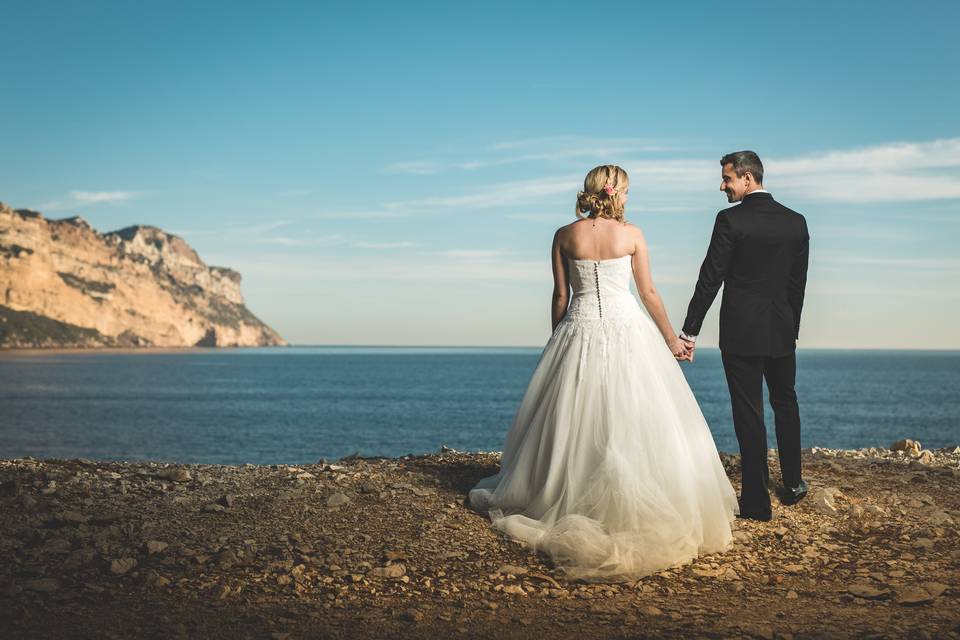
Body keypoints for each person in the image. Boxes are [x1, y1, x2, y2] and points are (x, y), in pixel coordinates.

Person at [468, 165, 738, 582]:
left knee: (575, 413)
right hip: (627, 327)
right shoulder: (632, 235)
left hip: (579, 327)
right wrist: (671, 339)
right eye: (626, 191)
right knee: (635, 410)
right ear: (617, 193)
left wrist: (557, 338)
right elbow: (647, 292)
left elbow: (561, 294)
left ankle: (565, 492)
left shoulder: (564, 234)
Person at [679, 150, 809, 522]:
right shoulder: (796, 222)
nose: (723, 186)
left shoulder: (729, 221)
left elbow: (710, 279)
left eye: (727, 179)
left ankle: (756, 501)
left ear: (747, 179)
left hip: (740, 333)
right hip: (782, 329)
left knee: (749, 413)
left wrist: (689, 330)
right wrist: (791, 328)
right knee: (786, 402)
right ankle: (794, 483)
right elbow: (796, 285)